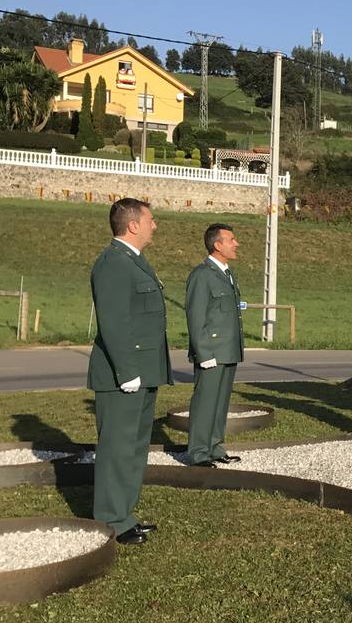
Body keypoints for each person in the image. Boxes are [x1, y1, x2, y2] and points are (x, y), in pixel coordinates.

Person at [86, 198, 172, 546]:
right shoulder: (113, 264)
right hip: (124, 374)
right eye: (151, 220)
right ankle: (110, 520)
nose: (155, 225)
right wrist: (127, 371)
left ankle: (124, 516)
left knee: (134, 448)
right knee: (117, 449)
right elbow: (115, 322)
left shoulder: (133, 262)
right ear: (133, 225)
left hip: (142, 372)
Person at [183, 223, 245, 468]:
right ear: (217, 245)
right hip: (211, 352)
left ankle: (215, 447)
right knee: (205, 403)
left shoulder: (227, 274)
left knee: (220, 403)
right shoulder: (202, 275)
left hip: (228, 350)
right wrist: (203, 352)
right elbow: (196, 316)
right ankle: (198, 453)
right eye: (231, 239)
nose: (236, 243)